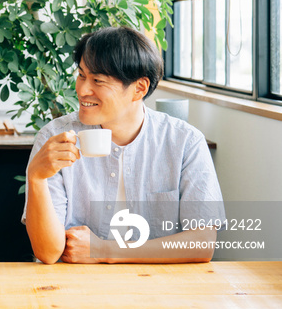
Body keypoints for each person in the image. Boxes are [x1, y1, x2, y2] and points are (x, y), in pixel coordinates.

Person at [23, 27, 224, 264]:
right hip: (73, 287)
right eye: (81, 75)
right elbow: (47, 253)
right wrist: (36, 177)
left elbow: (201, 244)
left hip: (161, 287)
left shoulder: (184, 143)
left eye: (97, 80)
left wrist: (105, 250)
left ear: (139, 88)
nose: (82, 90)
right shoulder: (55, 137)